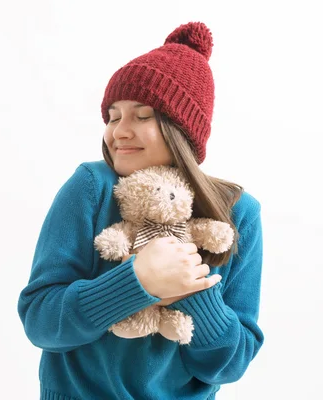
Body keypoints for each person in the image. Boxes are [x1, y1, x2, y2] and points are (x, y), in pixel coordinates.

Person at [17, 21, 264, 400]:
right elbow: (41, 322)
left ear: (183, 130)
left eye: (143, 116)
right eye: (113, 117)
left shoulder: (238, 213)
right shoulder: (90, 186)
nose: (119, 132)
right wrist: (137, 283)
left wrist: (190, 289)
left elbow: (230, 365)